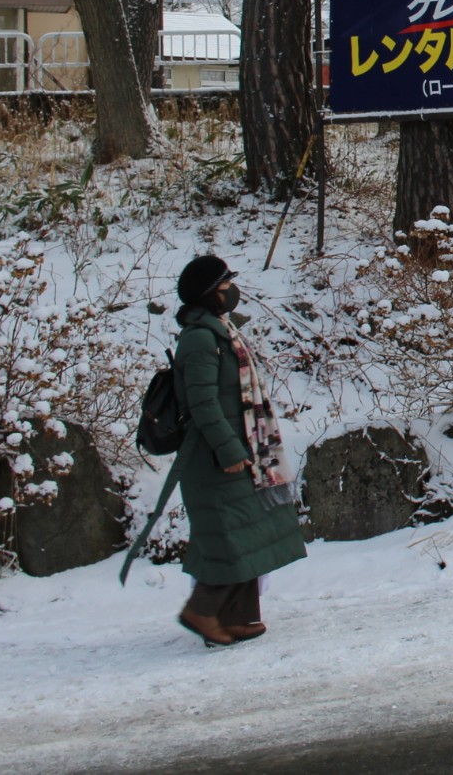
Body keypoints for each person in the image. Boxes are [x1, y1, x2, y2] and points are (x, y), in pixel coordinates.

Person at [168, 253, 305, 646]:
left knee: (251, 527)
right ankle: (202, 612)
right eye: (225, 284)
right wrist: (229, 452)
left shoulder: (217, 330)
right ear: (211, 293)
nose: (232, 290)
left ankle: (238, 616)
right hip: (214, 457)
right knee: (230, 536)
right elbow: (203, 405)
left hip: (239, 447)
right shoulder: (199, 339)